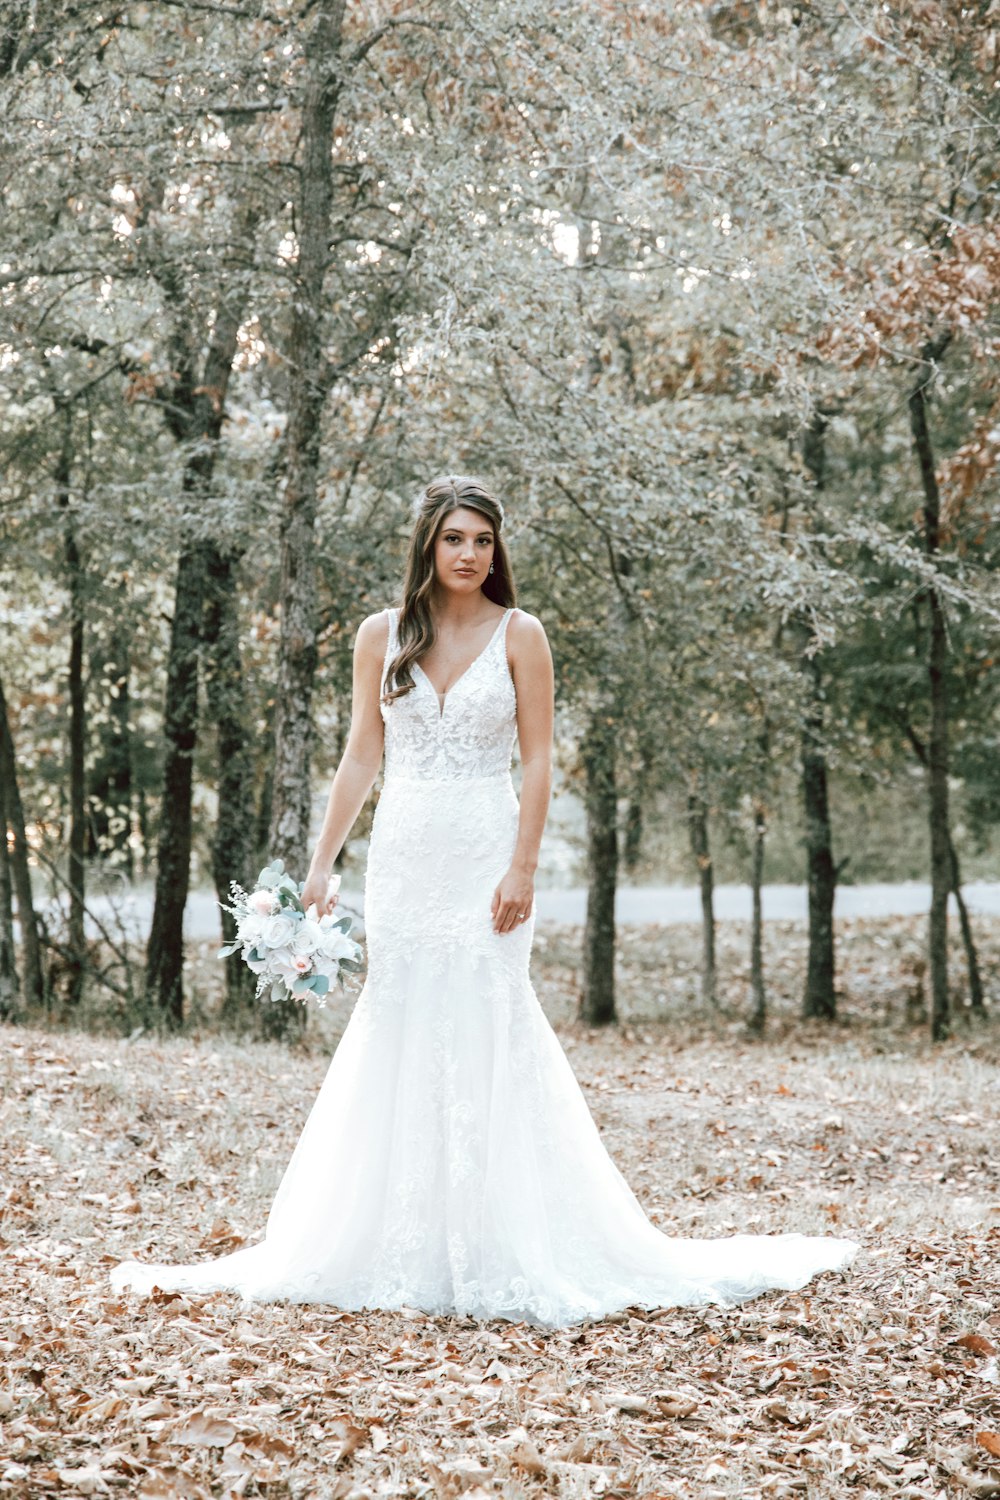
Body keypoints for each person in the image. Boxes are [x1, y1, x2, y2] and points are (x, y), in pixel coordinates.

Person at [111, 474, 857, 1325]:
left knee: (483, 1012)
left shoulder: (522, 635)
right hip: (404, 854)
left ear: (496, 553)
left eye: (483, 542)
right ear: (427, 544)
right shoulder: (380, 636)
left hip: (484, 853)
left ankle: (499, 1239)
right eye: (455, 539)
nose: (469, 555)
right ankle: (399, 1241)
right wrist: (323, 862)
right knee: (400, 1019)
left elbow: (538, 761)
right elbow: (362, 756)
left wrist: (524, 867)